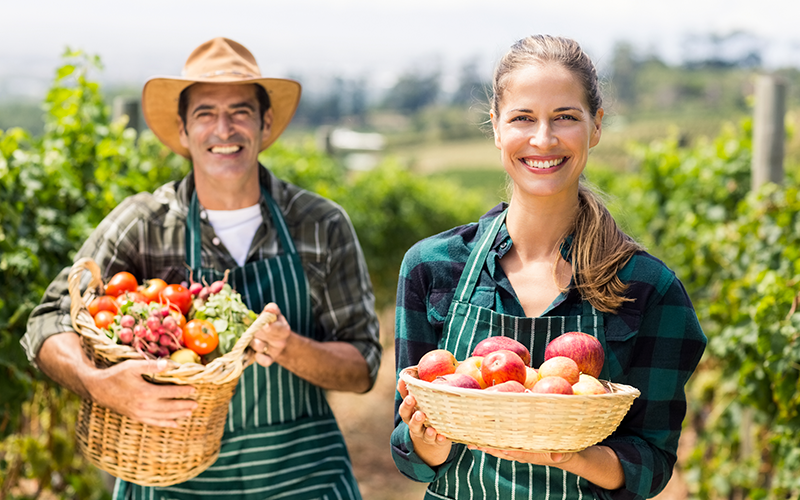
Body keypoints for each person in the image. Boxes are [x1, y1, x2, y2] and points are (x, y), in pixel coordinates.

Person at [23, 37, 381, 500]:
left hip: (302, 479)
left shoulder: (320, 224)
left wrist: (291, 347)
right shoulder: (143, 224)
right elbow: (48, 318)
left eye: (240, 112)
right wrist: (99, 385)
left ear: (264, 122)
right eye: (205, 113)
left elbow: (364, 365)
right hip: (171, 478)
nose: (223, 129)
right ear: (184, 129)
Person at [391, 35, 707, 499]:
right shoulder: (433, 268)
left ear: (595, 127)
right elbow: (408, 454)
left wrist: (570, 454)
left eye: (565, 117)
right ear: (496, 128)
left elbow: (652, 462)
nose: (543, 138)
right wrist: (423, 439)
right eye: (522, 118)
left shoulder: (647, 287)